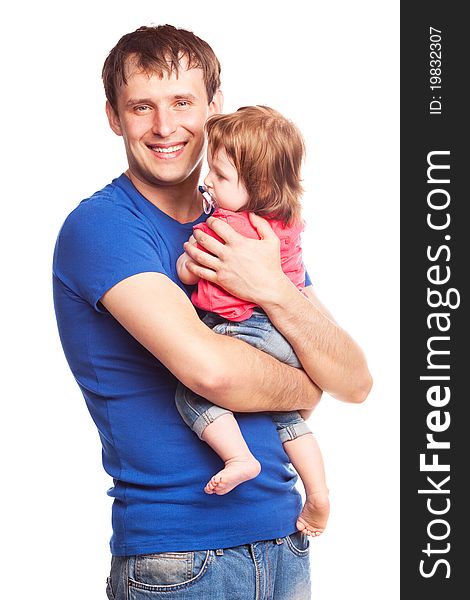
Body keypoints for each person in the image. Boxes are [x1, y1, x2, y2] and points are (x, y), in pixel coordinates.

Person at [53, 24, 372, 600]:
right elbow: (213, 374)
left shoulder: (247, 229)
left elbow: (354, 380)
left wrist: (270, 287)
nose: (165, 126)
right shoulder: (103, 227)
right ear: (113, 117)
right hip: (178, 559)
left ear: (214, 107)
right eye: (141, 107)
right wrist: (304, 384)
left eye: (182, 102)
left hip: (286, 540)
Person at [176, 105, 329, 537]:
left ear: (257, 185)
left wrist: (187, 261)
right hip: (286, 337)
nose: (208, 181)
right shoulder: (287, 224)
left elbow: (191, 270)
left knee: (192, 395)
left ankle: (239, 457)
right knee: (288, 419)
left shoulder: (224, 226)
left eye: (220, 176)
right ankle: (317, 494)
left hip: (242, 329)